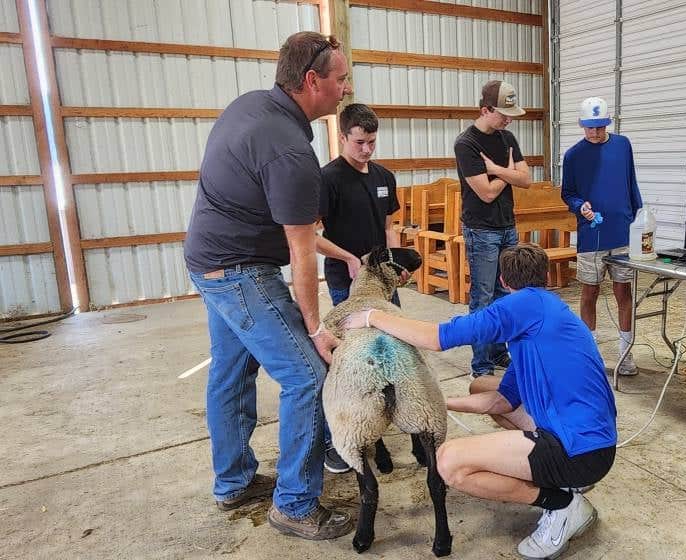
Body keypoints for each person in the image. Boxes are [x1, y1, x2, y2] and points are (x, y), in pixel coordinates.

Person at [339, 244, 617, 559]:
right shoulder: (547, 310)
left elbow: (436, 337)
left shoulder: (518, 306)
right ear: (545, 277)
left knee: (450, 463)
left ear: (503, 280)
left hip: (578, 450)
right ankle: (567, 484)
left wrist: (372, 316)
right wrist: (440, 402)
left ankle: (562, 505)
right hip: (594, 441)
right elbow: (500, 402)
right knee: (480, 385)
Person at [184, 32, 354, 540]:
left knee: (232, 374)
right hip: (238, 271)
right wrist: (317, 328)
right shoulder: (290, 151)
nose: (346, 88)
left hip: (207, 260)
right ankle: (296, 505)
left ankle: (233, 482)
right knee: (307, 376)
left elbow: (295, 233)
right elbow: (302, 255)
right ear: (311, 81)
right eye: (340, 78)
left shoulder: (251, 106)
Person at [314, 102, 404, 473]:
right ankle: (358, 434)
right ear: (342, 136)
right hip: (347, 283)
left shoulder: (383, 176)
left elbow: (389, 224)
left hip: (382, 283)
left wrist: (394, 261)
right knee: (355, 355)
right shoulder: (327, 179)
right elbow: (312, 236)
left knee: (392, 345)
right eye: (360, 142)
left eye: (372, 142)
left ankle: (393, 413)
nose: (367, 149)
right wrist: (350, 259)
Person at [454, 80, 533, 378]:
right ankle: (481, 364)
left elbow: (526, 180)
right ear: (485, 109)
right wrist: (511, 173)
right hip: (482, 230)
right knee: (483, 296)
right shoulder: (466, 144)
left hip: (507, 225)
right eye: (503, 113)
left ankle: (500, 352)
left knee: (506, 293)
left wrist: (498, 170)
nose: (508, 118)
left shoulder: (507, 137)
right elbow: (485, 193)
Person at [560, 96, 643, 376]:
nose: (595, 133)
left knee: (624, 291)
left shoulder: (622, 145)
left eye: (600, 127)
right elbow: (567, 192)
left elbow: (631, 182)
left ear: (608, 122)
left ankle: (626, 354)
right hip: (590, 234)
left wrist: (638, 218)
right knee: (589, 291)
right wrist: (578, 205)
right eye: (589, 128)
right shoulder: (573, 155)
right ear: (581, 125)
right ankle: (589, 353)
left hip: (621, 232)